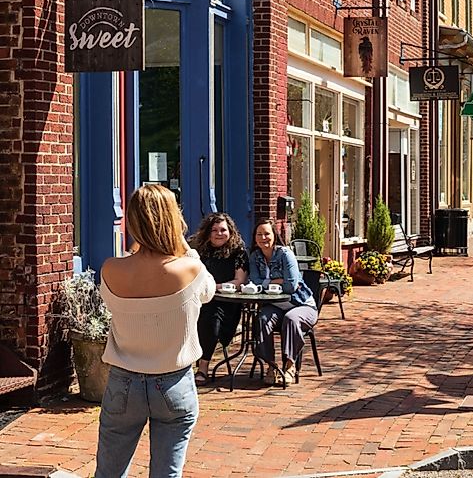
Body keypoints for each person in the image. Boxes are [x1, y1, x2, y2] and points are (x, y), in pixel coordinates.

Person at [96, 184, 215, 478]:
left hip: (123, 383)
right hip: (174, 383)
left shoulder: (111, 270)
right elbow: (208, 292)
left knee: (109, 473)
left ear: (133, 221)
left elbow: (110, 301)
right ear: (173, 220)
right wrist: (186, 248)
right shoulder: (190, 269)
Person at [248, 219, 317, 385]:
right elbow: (254, 280)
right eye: (259, 234)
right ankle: (271, 366)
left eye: (267, 234)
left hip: (301, 304)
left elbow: (291, 286)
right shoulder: (255, 256)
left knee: (291, 319)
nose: (263, 237)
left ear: (274, 235)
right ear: (255, 238)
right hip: (275, 306)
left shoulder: (285, 254)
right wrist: (277, 281)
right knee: (262, 319)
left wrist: (266, 283)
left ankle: (289, 365)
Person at [188, 213, 249, 386]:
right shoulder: (199, 251)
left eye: (223, 230)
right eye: (214, 230)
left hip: (225, 303)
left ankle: (203, 367)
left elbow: (239, 282)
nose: (219, 233)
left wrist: (213, 287)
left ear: (230, 231)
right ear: (208, 232)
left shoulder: (239, 253)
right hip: (198, 299)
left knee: (211, 320)